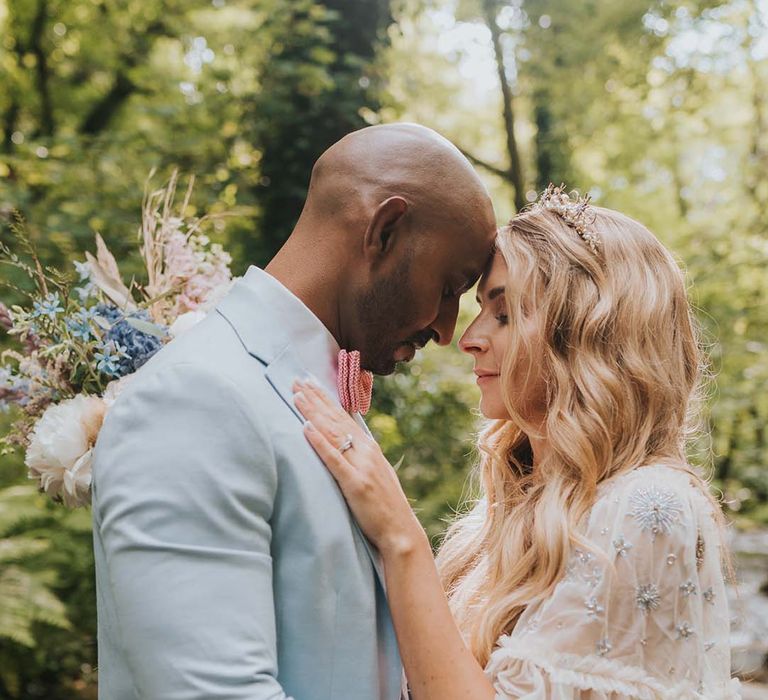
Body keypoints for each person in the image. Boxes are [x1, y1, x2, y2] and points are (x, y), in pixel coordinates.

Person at [90, 123, 497, 699]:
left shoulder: (316, 399)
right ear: (383, 230)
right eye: (451, 285)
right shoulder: (197, 398)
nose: (448, 328)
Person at [292, 186, 742, 699]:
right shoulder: (512, 511)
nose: (468, 338)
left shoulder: (646, 507)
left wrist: (400, 536)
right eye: (481, 309)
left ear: (587, 338)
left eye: (504, 315)